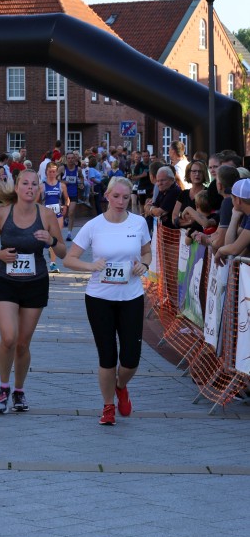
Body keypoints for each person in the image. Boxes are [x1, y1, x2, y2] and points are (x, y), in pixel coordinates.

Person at [64, 176, 152, 426]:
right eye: (116, 196)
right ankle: (108, 406)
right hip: (99, 298)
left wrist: (144, 265)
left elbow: (147, 252)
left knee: (131, 358)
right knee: (107, 356)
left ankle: (120, 386)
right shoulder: (94, 226)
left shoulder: (138, 223)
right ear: (107, 196)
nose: (121, 202)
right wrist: (90, 266)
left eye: (125, 197)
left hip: (131, 297)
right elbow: (69, 259)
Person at [0, 168, 66, 414]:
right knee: (9, 338)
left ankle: (19, 390)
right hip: (5, 281)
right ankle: (3, 388)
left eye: (34, 184)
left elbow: (62, 252)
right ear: (17, 187)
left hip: (35, 283)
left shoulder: (46, 215)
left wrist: (50, 241)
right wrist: (0, 254)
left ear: (39, 189)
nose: (30, 188)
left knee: (22, 343)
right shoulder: (2, 213)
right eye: (25, 184)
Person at [40, 160, 69, 272]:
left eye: (53, 171)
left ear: (56, 172)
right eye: (49, 171)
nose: (51, 174)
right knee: (44, 238)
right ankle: (45, 251)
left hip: (57, 215)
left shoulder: (61, 186)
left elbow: (67, 199)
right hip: (45, 216)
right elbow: (36, 202)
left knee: (55, 238)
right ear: (46, 172)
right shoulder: (42, 186)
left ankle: (53, 264)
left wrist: (65, 206)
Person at [172, 161, 209, 228]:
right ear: (189, 173)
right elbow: (174, 217)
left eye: (200, 171)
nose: (197, 174)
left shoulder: (207, 193)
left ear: (204, 174)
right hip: (182, 232)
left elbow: (205, 219)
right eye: (194, 171)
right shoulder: (183, 193)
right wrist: (189, 222)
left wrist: (183, 219)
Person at [61, 152, 84, 240]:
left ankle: (69, 234)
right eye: (69, 158)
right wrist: (63, 182)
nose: (70, 160)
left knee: (71, 213)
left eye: (72, 158)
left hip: (74, 194)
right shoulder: (62, 168)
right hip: (64, 194)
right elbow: (55, 179)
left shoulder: (78, 169)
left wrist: (81, 183)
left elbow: (81, 177)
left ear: (75, 159)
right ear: (66, 159)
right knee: (63, 214)